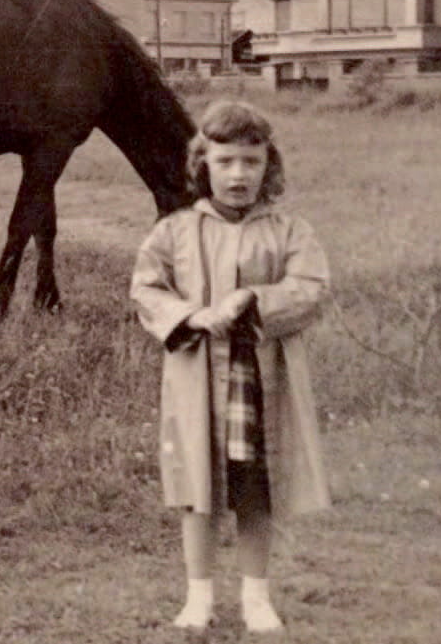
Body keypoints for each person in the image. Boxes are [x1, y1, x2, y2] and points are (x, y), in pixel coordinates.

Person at [130, 99, 330, 633]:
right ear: (204, 165)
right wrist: (193, 316)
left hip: (262, 379)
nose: (238, 174)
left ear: (269, 166)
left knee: (256, 488)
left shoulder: (290, 231)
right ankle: (198, 597)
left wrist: (253, 300)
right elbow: (146, 289)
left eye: (251, 161)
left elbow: (311, 289)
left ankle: (255, 596)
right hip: (197, 378)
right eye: (225, 162)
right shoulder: (174, 231)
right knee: (196, 488)